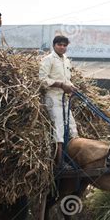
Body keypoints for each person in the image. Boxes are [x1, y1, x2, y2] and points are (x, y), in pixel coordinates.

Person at [39, 35, 79, 170]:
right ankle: (59, 162)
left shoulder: (66, 61)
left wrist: (71, 87)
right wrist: (61, 85)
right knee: (59, 127)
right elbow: (42, 80)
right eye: (59, 45)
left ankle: (72, 159)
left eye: (64, 45)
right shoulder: (48, 60)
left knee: (73, 128)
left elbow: (67, 80)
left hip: (64, 98)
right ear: (54, 45)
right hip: (52, 97)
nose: (62, 47)